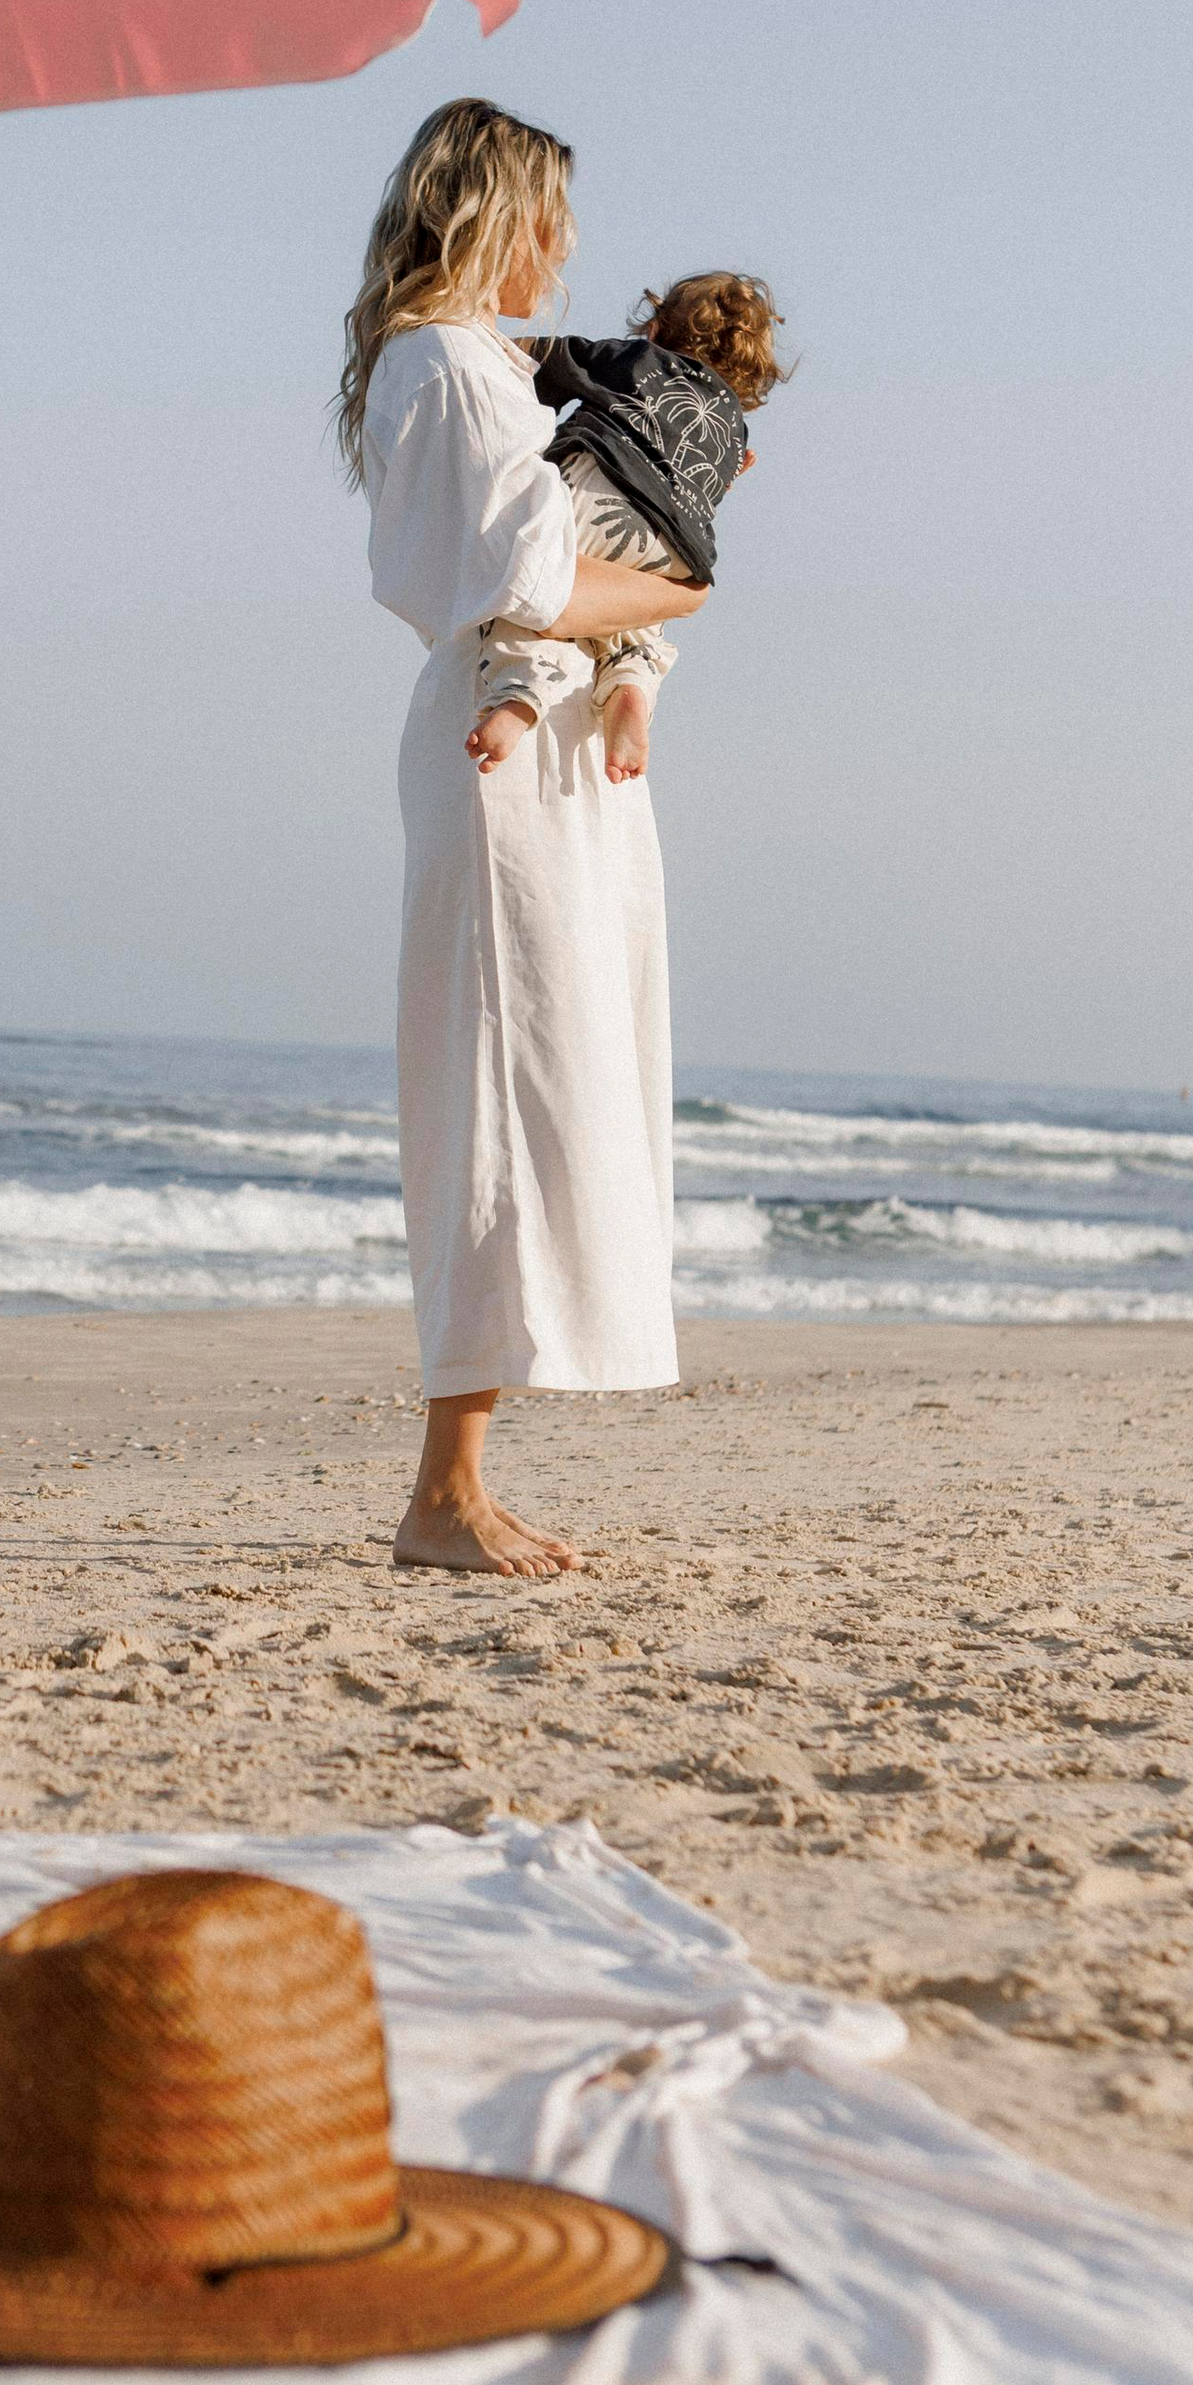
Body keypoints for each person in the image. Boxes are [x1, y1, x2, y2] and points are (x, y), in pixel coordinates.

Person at [343, 100, 707, 1576]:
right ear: (494, 212)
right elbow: (532, 584)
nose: (562, 251)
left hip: (545, 741)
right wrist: (680, 595)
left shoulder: (473, 364)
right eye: (548, 218)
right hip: (506, 753)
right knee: (500, 1094)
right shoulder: (444, 364)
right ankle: (443, 1491)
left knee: (547, 1082)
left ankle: (464, 1477)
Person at [467, 272, 786, 788]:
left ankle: (519, 696)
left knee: (526, 582)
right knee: (636, 616)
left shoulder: (635, 359)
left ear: (655, 329)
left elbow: (537, 361)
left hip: (599, 495)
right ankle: (630, 687)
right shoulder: (734, 427)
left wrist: (481, 348)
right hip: (674, 547)